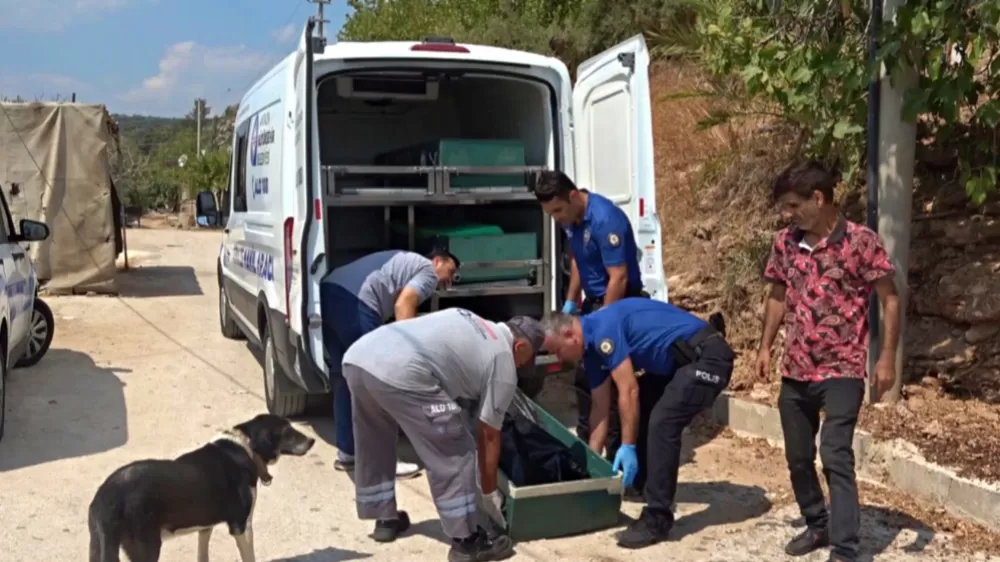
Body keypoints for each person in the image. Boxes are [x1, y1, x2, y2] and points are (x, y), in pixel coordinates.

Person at [757, 161, 899, 562]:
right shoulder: (785, 242)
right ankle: (817, 524)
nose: (787, 215)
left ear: (818, 199)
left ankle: (846, 549)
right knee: (798, 456)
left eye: (792, 206)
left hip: (843, 368)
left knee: (835, 453)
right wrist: (765, 347)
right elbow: (777, 295)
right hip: (796, 368)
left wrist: (886, 356)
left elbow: (889, 297)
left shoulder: (861, 242)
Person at [341, 308, 545, 562]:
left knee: (375, 439)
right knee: (455, 449)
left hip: (358, 359)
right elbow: (488, 434)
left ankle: (384, 518)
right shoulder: (503, 361)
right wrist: (489, 494)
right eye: (528, 358)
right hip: (401, 371)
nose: (524, 365)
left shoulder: (472, 318)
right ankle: (467, 542)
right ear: (521, 346)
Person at [542, 298, 733, 549]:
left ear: (570, 335)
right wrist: (589, 469)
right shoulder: (591, 349)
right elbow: (600, 410)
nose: (558, 358)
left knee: (663, 421)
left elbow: (628, 389)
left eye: (557, 350)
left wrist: (628, 446)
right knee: (643, 405)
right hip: (681, 363)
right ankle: (644, 482)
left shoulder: (602, 332)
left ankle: (658, 516)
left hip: (708, 358)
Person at [532, 170, 645, 490]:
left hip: (617, 306)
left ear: (571, 197)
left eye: (556, 211)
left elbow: (619, 279)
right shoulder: (572, 220)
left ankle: (619, 467)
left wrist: (603, 324)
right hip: (593, 306)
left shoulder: (605, 220)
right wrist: (570, 302)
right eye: (548, 214)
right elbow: (579, 260)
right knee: (588, 385)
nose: (555, 219)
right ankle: (591, 460)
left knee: (610, 387)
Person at [320, 248, 459, 478]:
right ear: (436, 261)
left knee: (345, 379)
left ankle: (348, 452)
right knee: (377, 383)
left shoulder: (404, 261)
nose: (449, 280)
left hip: (328, 293)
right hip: (356, 301)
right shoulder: (427, 271)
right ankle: (383, 462)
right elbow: (403, 306)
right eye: (450, 271)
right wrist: (410, 353)